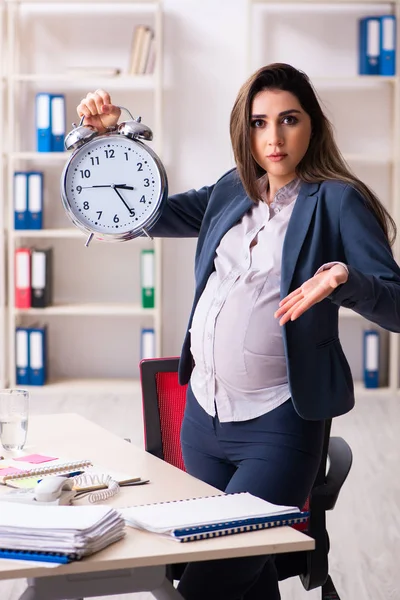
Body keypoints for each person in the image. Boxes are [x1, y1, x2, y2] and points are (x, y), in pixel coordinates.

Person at [77, 63, 400, 600]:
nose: (273, 138)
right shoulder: (233, 188)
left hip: (278, 425)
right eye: (259, 123)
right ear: (243, 130)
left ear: (311, 126)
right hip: (203, 420)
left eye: (288, 120)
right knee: (244, 583)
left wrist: (345, 279)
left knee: (209, 581)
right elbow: (143, 213)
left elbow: (395, 304)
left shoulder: (338, 200)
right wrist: (110, 139)